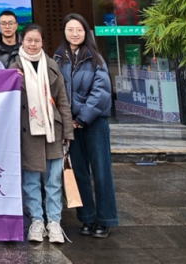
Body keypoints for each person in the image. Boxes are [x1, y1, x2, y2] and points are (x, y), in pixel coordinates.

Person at [54, 13, 118, 239]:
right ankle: (87, 217)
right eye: (70, 29)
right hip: (70, 125)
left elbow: (101, 92)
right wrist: (67, 121)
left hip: (93, 123)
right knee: (78, 172)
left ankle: (105, 219)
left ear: (86, 32)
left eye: (79, 30)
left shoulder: (95, 59)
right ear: (64, 32)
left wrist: (81, 119)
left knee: (101, 172)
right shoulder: (57, 59)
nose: (74, 34)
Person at [10, 24, 73, 246]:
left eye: (37, 40)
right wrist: (12, 80)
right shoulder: (14, 68)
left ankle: (54, 222)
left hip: (52, 130)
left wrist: (68, 130)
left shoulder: (52, 66)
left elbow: (62, 100)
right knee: (30, 182)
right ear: (22, 41)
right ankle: (36, 221)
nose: (33, 44)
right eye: (29, 40)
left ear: (42, 43)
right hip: (27, 131)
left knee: (53, 181)